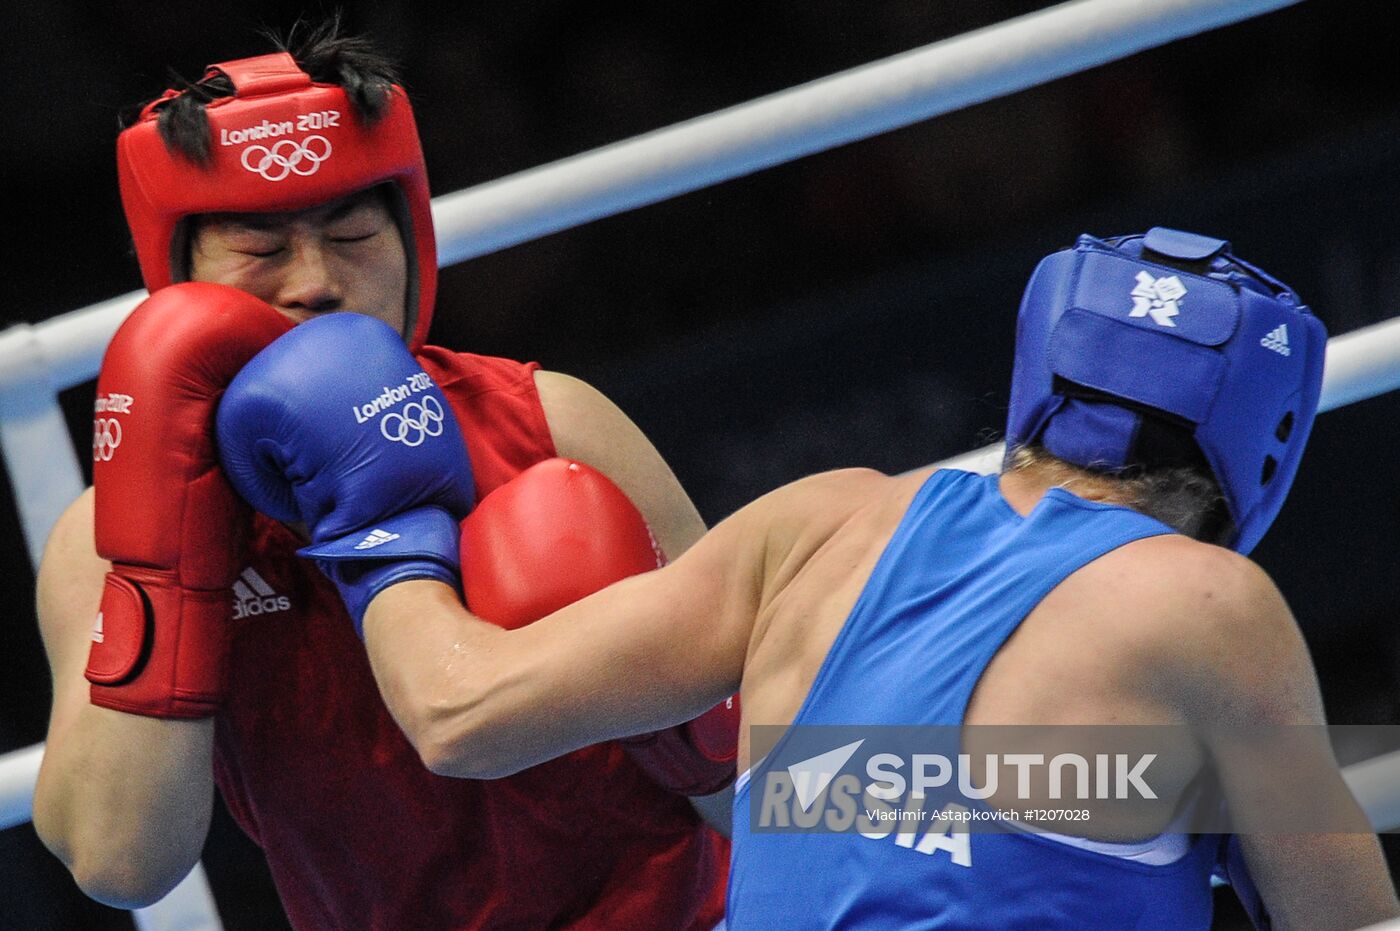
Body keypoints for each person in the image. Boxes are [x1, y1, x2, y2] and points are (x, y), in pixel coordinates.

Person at [217, 227, 1400, 928]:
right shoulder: (1205, 606)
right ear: (1263, 437)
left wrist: (374, 512)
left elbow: (460, 712)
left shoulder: (818, 523)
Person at [33, 21, 736, 930]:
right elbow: (120, 859)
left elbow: (778, 773)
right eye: (261, 245)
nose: (317, 280)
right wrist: (165, 566)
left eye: (354, 229)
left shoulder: (546, 421)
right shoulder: (111, 535)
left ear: (410, 239)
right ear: (177, 272)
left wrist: (681, 712)